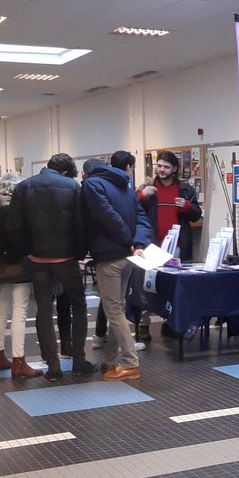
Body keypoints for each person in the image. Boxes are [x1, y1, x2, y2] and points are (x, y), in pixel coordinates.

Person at [9, 153, 95, 382]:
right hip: (66, 258)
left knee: (44, 310)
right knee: (78, 305)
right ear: (66, 171)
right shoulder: (73, 187)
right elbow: (81, 224)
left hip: (38, 260)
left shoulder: (24, 187)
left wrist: (28, 251)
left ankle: (53, 366)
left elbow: (14, 226)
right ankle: (79, 361)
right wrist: (79, 253)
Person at [82, 150, 154, 381]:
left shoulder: (92, 185)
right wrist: (138, 244)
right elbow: (141, 219)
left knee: (113, 311)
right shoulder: (127, 187)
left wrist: (129, 242)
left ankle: (131, 363)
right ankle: (110, 360)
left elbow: (108, 216)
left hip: (109, 256)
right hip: (128, 257)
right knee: (118, 310)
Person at [0, 173, 42, 379]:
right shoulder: (16, 209)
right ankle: (19, 361)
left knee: (2, 308)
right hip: (18, 262)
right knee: (20, 311)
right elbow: (20, 237)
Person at [137, 150, 202, 340]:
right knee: (148, 284)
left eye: (166, 167)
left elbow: (196, 214)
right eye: (159, 166)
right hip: (152, 245)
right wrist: (142, 196)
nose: (161, 169)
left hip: (177, 246)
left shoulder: (185, 188)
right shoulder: (147, 187)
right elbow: (133, 209)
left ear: (174, 169)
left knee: (174, 285)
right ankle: (143, 324)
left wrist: (187, 207)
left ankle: (171, 322)